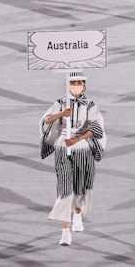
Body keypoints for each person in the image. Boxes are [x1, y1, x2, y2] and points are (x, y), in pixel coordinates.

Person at [40, 72, 106, 246]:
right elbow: (46, 120)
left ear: (84, 85)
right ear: (68, 84)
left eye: (79, 82)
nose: (76, 85)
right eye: (73, 82)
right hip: (63, 147)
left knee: (80, 185)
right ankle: (65, 230)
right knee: (64, 187)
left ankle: (77, 213)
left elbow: (96, 127)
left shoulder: (91, 105)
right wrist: (62, 114)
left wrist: (77, 139)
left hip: (82, 147)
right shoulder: (60, 103)